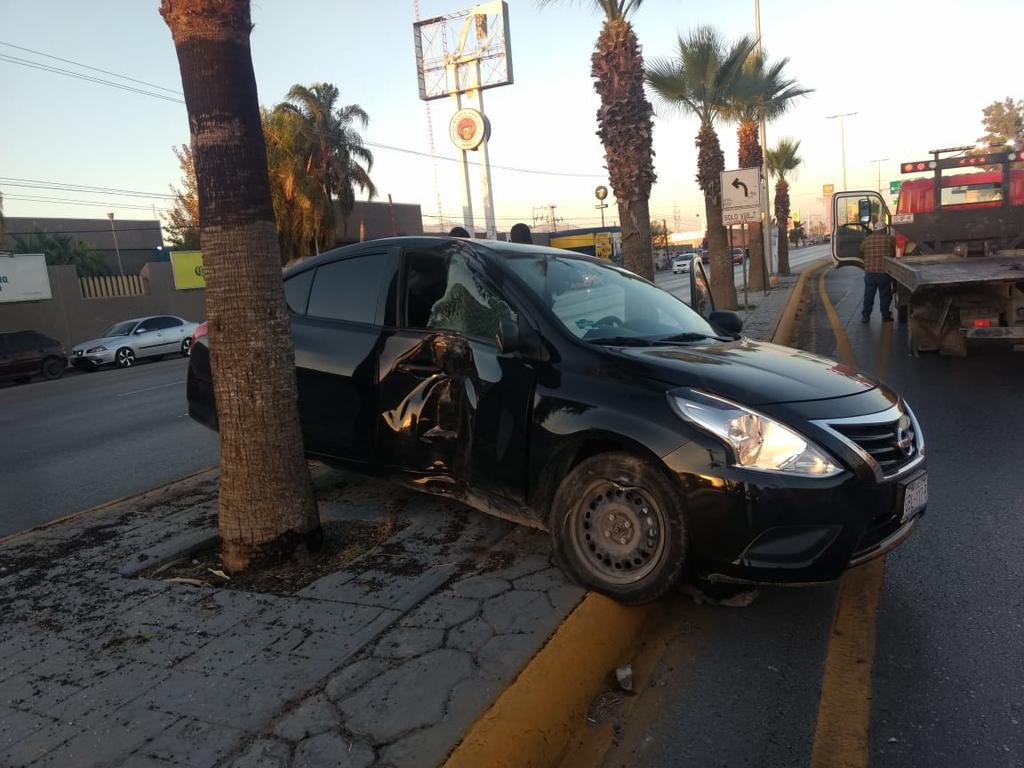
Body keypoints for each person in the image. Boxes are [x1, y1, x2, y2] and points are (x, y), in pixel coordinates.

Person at [860, 220, 896, 323]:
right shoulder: (890, 239)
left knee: (868, 295)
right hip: (884, 272)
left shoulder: (866, 240)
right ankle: (885, 315)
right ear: (884, 229)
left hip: (870, 273)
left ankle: (866, 316)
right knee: (885, 295)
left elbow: (861, 251)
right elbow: (894, 253)